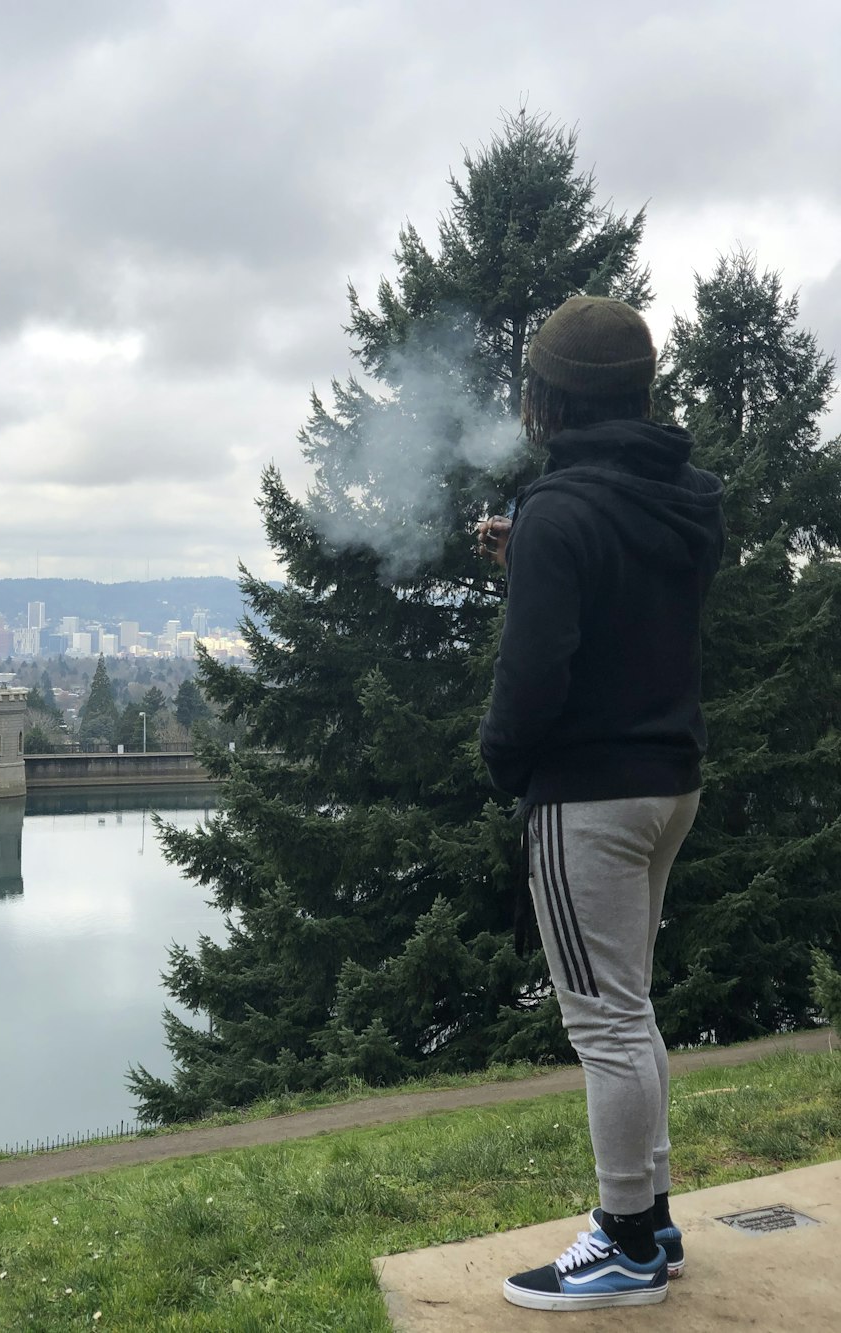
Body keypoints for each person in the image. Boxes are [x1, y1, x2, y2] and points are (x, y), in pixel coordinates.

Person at [478, 295, 725, 1311]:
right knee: (632, 1012)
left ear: (548, 401)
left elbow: (535, 676)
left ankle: (624, 1242)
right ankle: (651, 1222)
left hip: (587, 795)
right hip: (671, 781)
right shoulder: (686, 498)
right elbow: (628, 606)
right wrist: (527, 552)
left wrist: (503, 764)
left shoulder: (560, 511)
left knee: (603, 1024)